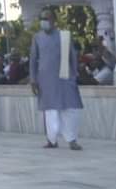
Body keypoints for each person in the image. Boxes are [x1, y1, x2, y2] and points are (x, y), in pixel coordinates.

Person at [30, 8, 84, 150]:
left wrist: (74, 75)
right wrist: (33, 79)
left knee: (69, 109)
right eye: (42, 18)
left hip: (64, 78)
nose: (43, 22)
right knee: (50, 110)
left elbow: (73, 57)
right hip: (45, 80)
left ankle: (72, 140)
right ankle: (51, 140)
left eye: (46, 19)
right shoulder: (37, 37)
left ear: (54, 21)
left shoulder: (64, 36)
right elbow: (33, 59)